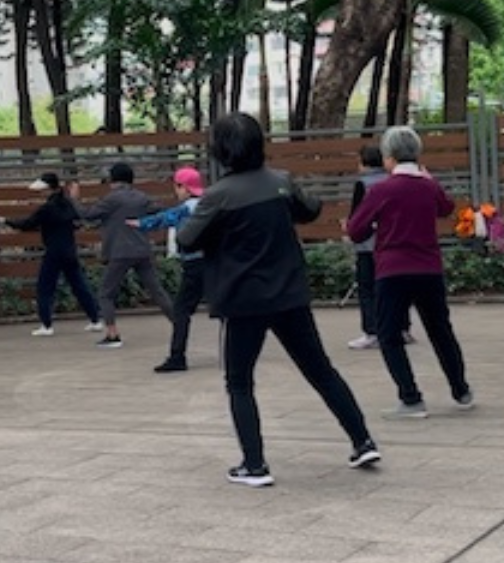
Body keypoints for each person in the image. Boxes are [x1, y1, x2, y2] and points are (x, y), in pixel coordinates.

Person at [177, 113, 380, 487]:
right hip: (289, 295)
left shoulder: (218, 196)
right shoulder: (281, 182)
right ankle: (362, 440)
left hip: (242, 302)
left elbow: (187, 240)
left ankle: (254, 465)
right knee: (321, 370)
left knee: (239, 382)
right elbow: (310, 209)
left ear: (220, 150)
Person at [346, 125, 474, 419]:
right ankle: (460, 389)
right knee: (441, 330)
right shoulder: (428, 186)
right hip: (429, 268)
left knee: (389, 335)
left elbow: (356, 230)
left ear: (389, 156)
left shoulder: (382, 190)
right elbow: (446, 208)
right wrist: (431, 180)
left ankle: (411, 397)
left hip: (392, 271)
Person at [66, 162, 173, 349]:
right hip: (142, 250)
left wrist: (74, 199)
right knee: (157, 291)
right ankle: (179, 323)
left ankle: (112, 334)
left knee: (106, 294)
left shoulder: (112, 199)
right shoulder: (141, 197)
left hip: (120, 252)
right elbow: (159, 210)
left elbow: (87, 214)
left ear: (113, 180)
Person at [0, 172, 102, 337]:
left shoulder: (47, 208)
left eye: (43, 190)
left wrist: (6, 221)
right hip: (69, 250)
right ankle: (95, 319)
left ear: (48, 189)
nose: (41, 193)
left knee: (45, 288)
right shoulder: (67, 204)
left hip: (53, 251)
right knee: (79, 285)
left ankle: (46, 324)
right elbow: (75, 221)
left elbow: (27, 223)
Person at [127, 167, 205, 373]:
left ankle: (177, 357)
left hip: (194, 265)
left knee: (181, 311)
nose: (176, 191)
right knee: (225, 307)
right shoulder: (208, 204)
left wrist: (140, 223)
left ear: (185, 187)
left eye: (177, 186)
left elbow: (167, 218)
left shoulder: (187, 208)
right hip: (214, 263)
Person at [345, 144, 415, 350]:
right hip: (393, 244)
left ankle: (372, 331)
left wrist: (349, 227)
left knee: (367, 288)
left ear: (363, 163)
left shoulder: (362, 184)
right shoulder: (394, 181)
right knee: (396, 287)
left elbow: (357, 215)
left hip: (368, 244)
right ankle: (402, 328)